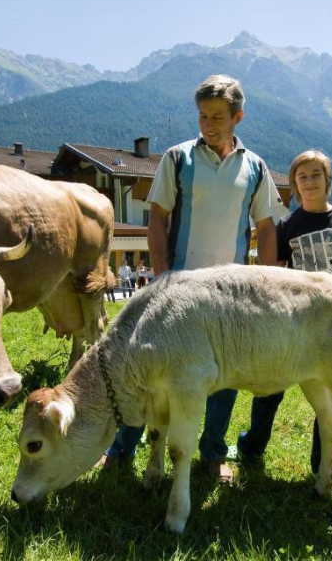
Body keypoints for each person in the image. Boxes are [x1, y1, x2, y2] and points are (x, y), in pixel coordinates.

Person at [102, 74, 281, 482]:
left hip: (231, 296)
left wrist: (265, 283)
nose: (208, 124)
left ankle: (214, 453)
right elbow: (158, 218)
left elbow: (267, 227)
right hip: (177, 291)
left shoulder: (254, 166)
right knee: (148, 373)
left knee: (226, 374)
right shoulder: (177, 158)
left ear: (238, 117)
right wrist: (163, 277)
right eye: (203, 115)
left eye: (218, 116)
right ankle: (121, 448)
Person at [236, 150, 332, 474]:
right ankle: (252, 445)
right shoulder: (287, 225)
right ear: (294, 186)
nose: (309, 182)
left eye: (316, 175)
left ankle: (323, 464)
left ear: (328, 180)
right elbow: (277, 277)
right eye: (302, 177)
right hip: (295, 326)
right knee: (268, 387)